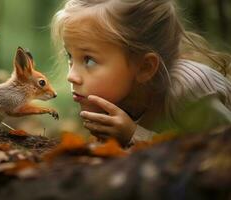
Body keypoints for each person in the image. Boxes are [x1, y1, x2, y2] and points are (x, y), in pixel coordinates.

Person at [51, 0, 231, 147]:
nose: (71, 76)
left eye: (89, 60)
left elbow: (219, 155)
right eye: (70, 56)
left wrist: (134, 135)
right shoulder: (120, 96)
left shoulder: (190, 90)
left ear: (145, 67)